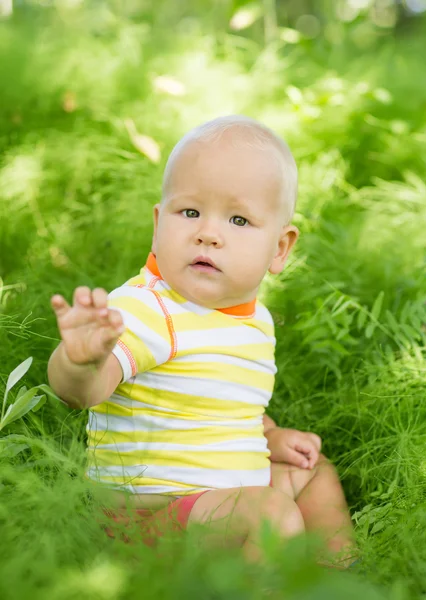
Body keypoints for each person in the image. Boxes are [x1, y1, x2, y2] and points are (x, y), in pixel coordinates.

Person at [47, 115, 355, 566]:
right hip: (148, 521)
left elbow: (223, 405)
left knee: (311, 471)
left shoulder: (255, 323)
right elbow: (84, 393)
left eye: (238, 219)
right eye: (189, 212)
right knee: (270, 513)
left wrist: (268, 436)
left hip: (215, 506)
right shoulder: (148, 309)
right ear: (158, 224)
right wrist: (80, 362)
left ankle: (344, 577)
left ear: (279, 249)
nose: (208, 233)